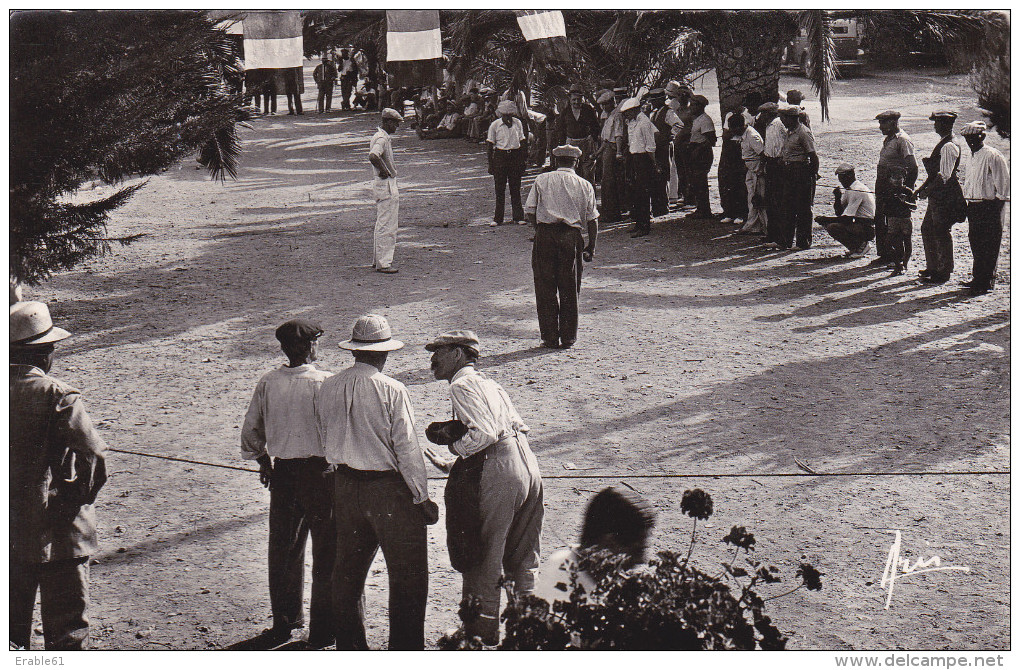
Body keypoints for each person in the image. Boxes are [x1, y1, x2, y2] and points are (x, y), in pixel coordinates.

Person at [315, 314, 439, 650]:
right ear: (384, 353)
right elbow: (407, 447)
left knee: (348, 575)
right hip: (388, 491)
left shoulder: (329, 385)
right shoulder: (392, 389)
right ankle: (405, 649)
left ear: (354, 351)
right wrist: (421, 496)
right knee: (408, 577)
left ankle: (352, 648)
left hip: (346, 485)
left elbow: (324, 434)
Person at [421, 331, 544, 645]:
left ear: (460, 355)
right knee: (523, 555)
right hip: (526, 465)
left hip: (499, 470)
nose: (433, 358)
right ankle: (526, 632)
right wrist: (457, 466)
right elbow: (517, 427)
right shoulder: (491, 383)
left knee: (483, 557)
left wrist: (456, 450)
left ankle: (480, 633)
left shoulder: (461, 385)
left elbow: (486, 434)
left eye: (440, 351)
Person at [10, 301, 108, 650]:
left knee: (9, 631)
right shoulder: (58, 394)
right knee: (67, 630)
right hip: (59, 532)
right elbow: (93, 456)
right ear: (44, 354)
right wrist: (74, 500)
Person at [240, 319, 335, 649]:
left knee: (284, 550)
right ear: (311, 347)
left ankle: (286, 621)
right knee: (327, 550)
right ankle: (325, 626)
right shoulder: (326, 382)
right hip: (322, 475)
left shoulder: (268, 382)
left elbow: (252, 430)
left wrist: (264, 462)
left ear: (284, 349)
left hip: (283, 475)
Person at [524, 144, 600, 349]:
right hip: (571, 236)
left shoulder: (542, 180)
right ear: (575, 162)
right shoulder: (584, 184)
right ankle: (568, 337)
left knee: (544, 286)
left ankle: (549, 337)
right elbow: (592, 220)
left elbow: (530, 210)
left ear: (556, 161)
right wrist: (591, 246)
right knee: (569, 288)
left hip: (546, 235)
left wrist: (539, 230)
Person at [533, 487, 655, 605]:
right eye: (637, 551)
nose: (642, 560)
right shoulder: (567, 593)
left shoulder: (565, 560)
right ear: (608, 543)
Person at [960, 121, 1010, 295]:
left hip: (989, 206)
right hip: (973, 205)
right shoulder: (972, 156)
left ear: (982, 137)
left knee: (989, 244)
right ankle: (978, 278)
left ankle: (986, 281)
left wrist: (995, 208)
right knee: (976, 242)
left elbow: (1003, 186)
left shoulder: (993, 155)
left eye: (974, 138)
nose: (971, 141)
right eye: (968, 138)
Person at [916, 111, 963, 283]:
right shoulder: (944, 143)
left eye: (937, 123)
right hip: (937, 195)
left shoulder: (949, 146)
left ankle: (944, 271)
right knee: (928, 229)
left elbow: (944, 176)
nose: (934, 126)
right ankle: (933, 266)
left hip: (945, 196)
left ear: (946, 125)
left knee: (941, 231)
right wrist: (920, 189)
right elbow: (934, 174)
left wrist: (926, 191)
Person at [874, 110, 918, 264]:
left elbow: (913, 167)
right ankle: (885, 255)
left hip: (894, 188)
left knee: (894, 223)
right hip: (883, 185)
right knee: (880, 218)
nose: (880, 127)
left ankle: (897, 258)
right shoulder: (889, 139)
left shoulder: (903, 140)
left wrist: (906, 191)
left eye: (882, 123)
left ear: (893, 122)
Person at [776, 105, 819, 250]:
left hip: (801, 172)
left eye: (784, 118)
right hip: (789, 171)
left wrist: (811, 175)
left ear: (792, 118)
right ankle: (785, 241)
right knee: (787, 207)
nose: (782, 121)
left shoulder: (803, 133)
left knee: (803, 208)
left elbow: (813, 156)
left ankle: (803, 242)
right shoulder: (790, 132)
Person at [815, 164, 877, 257]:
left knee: (833, 227)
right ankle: (855, 247)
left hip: (867, 226)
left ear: (850, 176)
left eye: (842, 178)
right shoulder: (850, 188)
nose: (841, 181)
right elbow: (839, 213)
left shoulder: (857, 190)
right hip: (859, 224)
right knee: (829, 224)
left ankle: (861, 247)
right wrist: (837, 198)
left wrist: (826, 219)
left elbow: (847, 219)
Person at [368, 108, 403, 274]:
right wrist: (384, 170)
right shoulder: (382, 138)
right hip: (386, 183)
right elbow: (374, 156)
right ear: (388, 122)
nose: (396, 127)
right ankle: (384, 262)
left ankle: (378, 259)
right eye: (395, 123)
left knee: (381, 223)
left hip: (382, 184)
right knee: (388, 225)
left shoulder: (380, 136)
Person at [620, 97, 657, 237]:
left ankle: (644, 226)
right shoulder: (632, 122)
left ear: (635, 110)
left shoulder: (644, 123)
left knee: (643, 193)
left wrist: (653, 163)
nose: (626, 115)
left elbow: (650, 146)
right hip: (634, 157)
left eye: (628, 112)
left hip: (644, 158)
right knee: (635, 192)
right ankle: (638, 224)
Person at [486, 100, 527, 226]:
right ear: (501, 114)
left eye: (510, 115)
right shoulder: (495, 125)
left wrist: (523, 160)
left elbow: (523, 142)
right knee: (500, 189)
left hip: (515, 156)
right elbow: (489, 145)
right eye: (505, 115)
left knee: (515, 188)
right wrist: (491, 164)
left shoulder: (518, 123)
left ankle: (518, 216)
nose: (508, 118)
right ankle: (498, 218)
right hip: (500, 156)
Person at [555, 84, 600, 186]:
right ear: (570, 99)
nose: (576, 102)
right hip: (571, 143)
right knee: (573, 172)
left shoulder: (588, 109)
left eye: (579, 99)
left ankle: (589, 197)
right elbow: (560, 130)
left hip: (586, 143)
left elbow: (596, 126)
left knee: (588, 172)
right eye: (574, 99)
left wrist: (592, 137)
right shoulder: (565, 112)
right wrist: (562, 146)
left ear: (582, 99)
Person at [647, 88, 681, 217]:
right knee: (657, 174)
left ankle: (663, 206)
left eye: (655, 100)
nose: (652, 102)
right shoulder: (655, 112)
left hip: (664, 146)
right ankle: (658, 205)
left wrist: (669, 136)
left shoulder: (668, 112)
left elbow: (679, 125)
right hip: (657, 146)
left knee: (663, 173)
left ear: (662, 99)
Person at [598, 88, 629, 223]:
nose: (604, 107)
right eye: (602, 105)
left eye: (607, 104)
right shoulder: (609, 116)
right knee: (606, 182)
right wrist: (597, 153)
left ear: (613, 103)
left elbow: (618, 135)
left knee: (610, 182)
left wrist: (618, 151)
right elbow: (605, 138)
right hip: (607, 149)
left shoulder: (617, 115)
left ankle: (612, 213)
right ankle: (608, 211)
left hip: (612, 150)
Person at [686, 95, 717, 220]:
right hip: (695, 150)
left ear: (700, 106)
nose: (691, 107)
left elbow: (711, 140)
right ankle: (700, 208)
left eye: (693, 105)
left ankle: (705, 210)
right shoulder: (697, 119)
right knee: (696, 181)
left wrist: (698, 150)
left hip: (702, 153)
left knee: (701, 181)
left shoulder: (705, 120)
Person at [734, 112, 766, 234]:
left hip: (757, 170)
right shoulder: (745, 134)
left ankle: (756, 226)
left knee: (757, 199)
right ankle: (754, 225)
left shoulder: (752, 136)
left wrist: (759, 171)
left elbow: (762, 155)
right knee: (751, 197)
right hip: (750, 169)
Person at [884, 167, 918, 276]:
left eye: (900, 178)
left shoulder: (907, 191)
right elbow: (884, 207)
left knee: (907, 242)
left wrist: (906, 202)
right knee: (888, 244)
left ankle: (905, 264)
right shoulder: (888, 191)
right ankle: (898, 264)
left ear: (904, 178)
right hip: (892, 220)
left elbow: (914, 207)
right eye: (894, 178)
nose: (897, 180)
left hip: (905, 220)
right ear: (890, 179)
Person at [758, 101, 784, 244]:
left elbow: (778, 148)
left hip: (777, 164)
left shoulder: (776, 126)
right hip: (771, 163)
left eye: (762, 113)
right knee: (770, 200)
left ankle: (778, 235)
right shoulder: (769, 126)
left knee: (776, 201)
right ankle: (772, 234)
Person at [719, 113, 749, 225]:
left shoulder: (745, 135)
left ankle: (741, 214)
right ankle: (730, 213)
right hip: (731, 163)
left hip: (741, 163)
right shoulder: (730, 136)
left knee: (741, 187)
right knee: (730, 186)